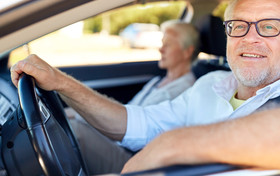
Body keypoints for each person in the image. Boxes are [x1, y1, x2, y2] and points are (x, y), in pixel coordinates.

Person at [10, 0, 280, 175]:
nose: (250, 38)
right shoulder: (209, 85)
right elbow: (137, 124)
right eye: (238, 26)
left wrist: (172, 145)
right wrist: (60, 82)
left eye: (269, 27)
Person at [66, 19, 200, 174]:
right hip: (117, 140)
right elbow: (127, 111)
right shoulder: (158, 81)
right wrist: (79, 112)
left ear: (187, 51)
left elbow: (136, 127)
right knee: (70, 124)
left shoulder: (186, 90)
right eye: (162, 43)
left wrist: (78, 114)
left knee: (75, 130)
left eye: (167, 45)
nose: (160, 49)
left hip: (133, 159)